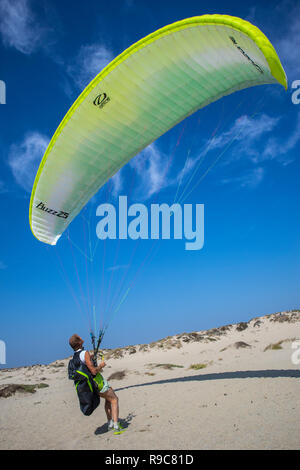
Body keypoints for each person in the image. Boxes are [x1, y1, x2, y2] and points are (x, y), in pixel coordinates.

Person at [69, 334, 123, 434]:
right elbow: (93, 371)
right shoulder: (84, 353)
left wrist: (91, 357)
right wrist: (101, 366)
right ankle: (116, 426)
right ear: (79, 342)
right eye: (80, 337)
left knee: (108, 399)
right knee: (114, 399)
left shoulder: (75, 356)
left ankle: (110, 423)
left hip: (91, 385)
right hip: (97, 382)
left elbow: (84, 364)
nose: (82, 337)